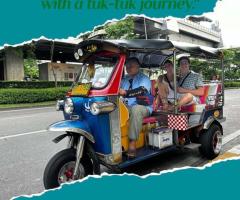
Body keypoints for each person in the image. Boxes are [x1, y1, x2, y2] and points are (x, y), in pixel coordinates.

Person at [119, 57, 152, 158]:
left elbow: (142, 90)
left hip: (143, 107)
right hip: (126, 106)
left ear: (138, 66)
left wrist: (125, 92)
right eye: (127, 66)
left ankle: (132, 143)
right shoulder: (124, 80)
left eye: (131, 65)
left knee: (136, 109)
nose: (128, 68)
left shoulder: (144, 79)